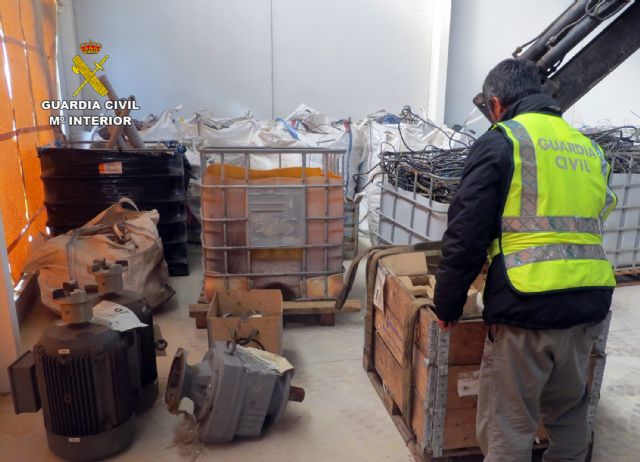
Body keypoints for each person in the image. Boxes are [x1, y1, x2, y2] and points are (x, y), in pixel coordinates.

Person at [433, 58, 616, 462]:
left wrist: (446, 303)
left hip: (526, 302)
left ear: (496, 103)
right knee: (569, 413)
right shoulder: (587, 147)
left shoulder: (503, 140)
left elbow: (465, 234)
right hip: (588, 301)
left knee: (509, 424)